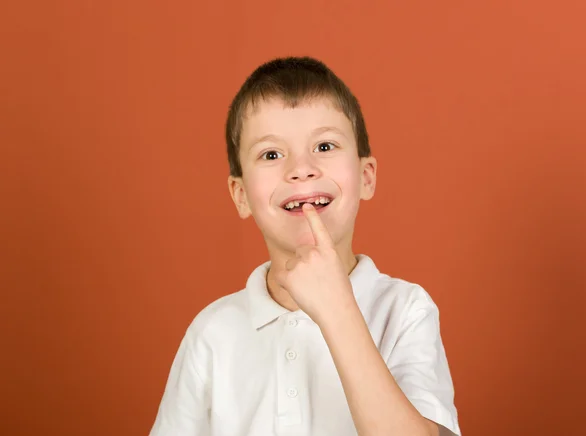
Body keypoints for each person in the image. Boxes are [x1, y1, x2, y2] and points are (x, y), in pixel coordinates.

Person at [149, 56, 461, 436]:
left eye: (325, 146)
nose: (301, 168)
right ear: (241, 195)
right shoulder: (212, 333)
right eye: (271, 154)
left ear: (365, 177)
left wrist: (337, 310)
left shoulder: (406, 311)